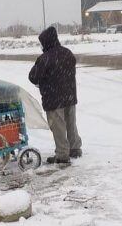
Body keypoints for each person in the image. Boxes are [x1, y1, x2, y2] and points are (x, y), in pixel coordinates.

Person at [28, 26, 82, 165]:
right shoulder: (67, 53)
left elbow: (33, 77)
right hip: (69, 95)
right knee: (71, 123)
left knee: (58, 127)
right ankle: (75, 148)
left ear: (45, 42)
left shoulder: (45, 58)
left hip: (53, 98)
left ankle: (62, 155)